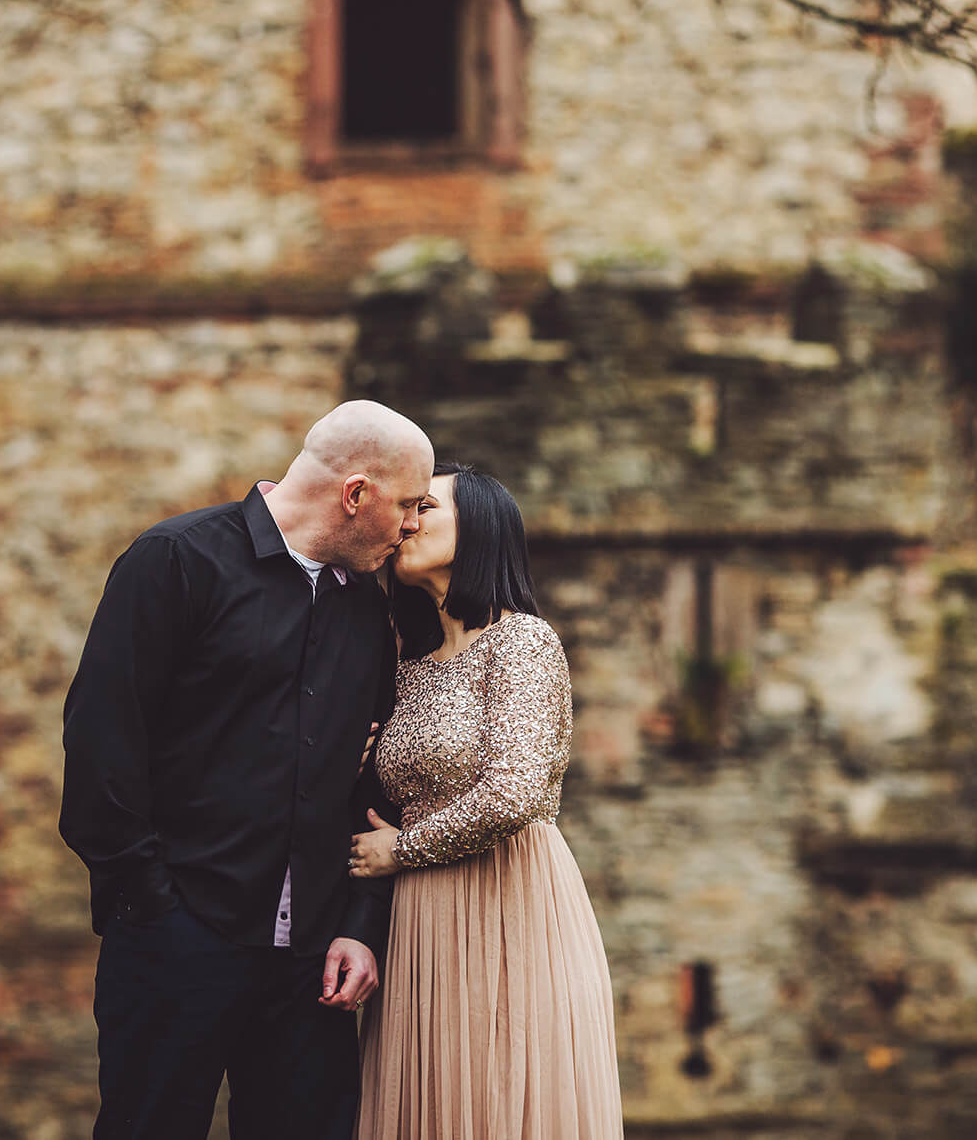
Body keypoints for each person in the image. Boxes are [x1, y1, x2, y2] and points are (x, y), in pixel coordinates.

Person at [59, 400, 433, 1140]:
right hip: (175, 944)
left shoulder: (368, 609)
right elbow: (102, 746)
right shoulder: (176, 560)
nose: (415, 523)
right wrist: (156, 907)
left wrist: (359, 926)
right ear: (356, 494)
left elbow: (373, 780)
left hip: (311, 973)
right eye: (409, 502)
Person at [348, 462, 624, 1139]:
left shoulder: (522, 642)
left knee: (501, 1097)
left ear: (480, 531)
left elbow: (516, 789)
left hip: (506, 902)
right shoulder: (410, 662)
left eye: (425, 508)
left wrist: (402, 848)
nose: (405, 521)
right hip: (422, 921)